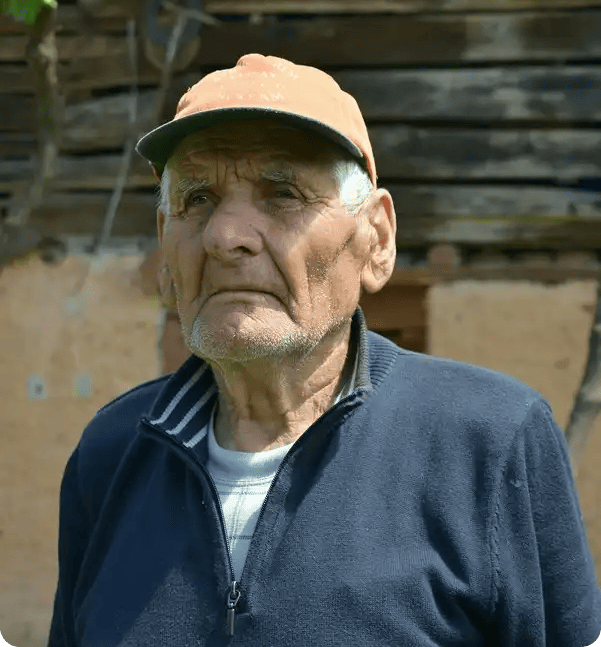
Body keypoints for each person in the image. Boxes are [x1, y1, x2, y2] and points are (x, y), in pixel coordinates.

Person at [47, 54, 601, 647]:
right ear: (165, 244)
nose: (225, 236)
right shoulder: (111, 455)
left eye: (282, 193)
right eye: (197, 199)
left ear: (377, 240)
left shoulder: (489, 441)